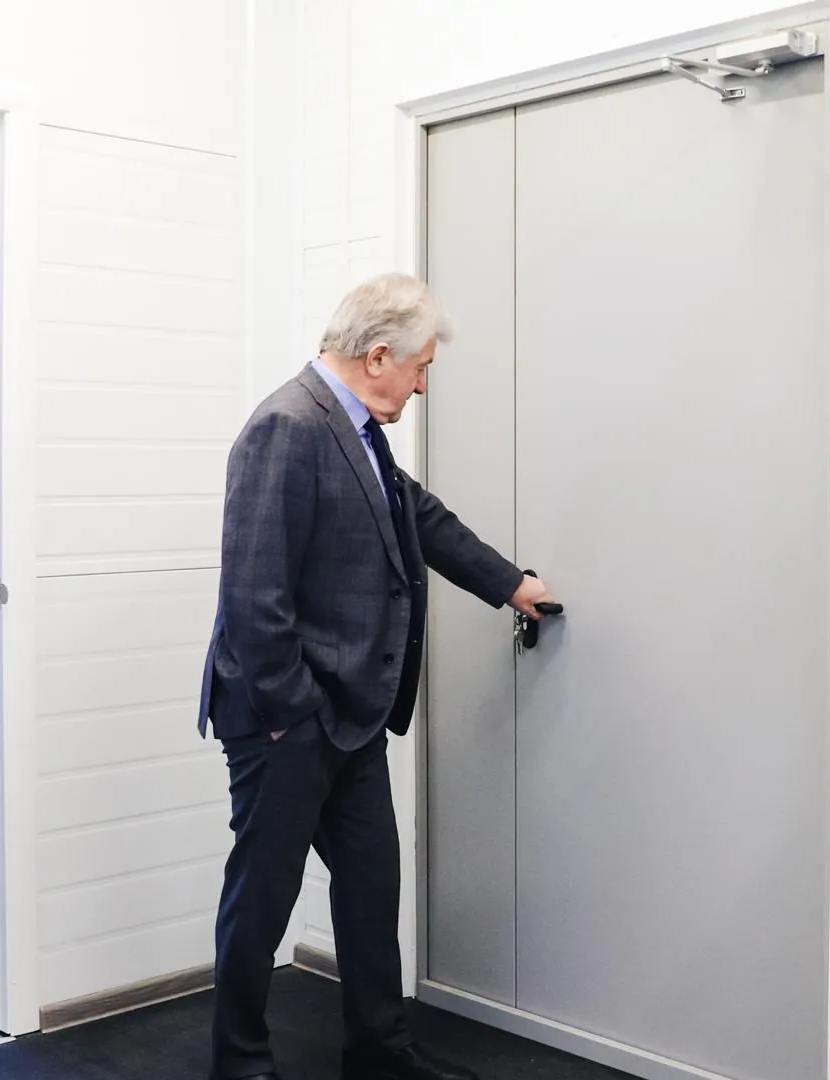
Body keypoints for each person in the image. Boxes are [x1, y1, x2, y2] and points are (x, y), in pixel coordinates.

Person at [199, 273, 556, 1080]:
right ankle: (240, 1065)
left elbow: (416, 515)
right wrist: (294, 713)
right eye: (421, 368)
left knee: (369, 886)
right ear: (380, 356)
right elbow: (253, 595)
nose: (422, 386)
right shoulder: (287, 426)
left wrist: (512, 585)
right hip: (288, 718)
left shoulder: (354, 427)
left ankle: (378, 1051)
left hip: (348, 714)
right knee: (262, 897)